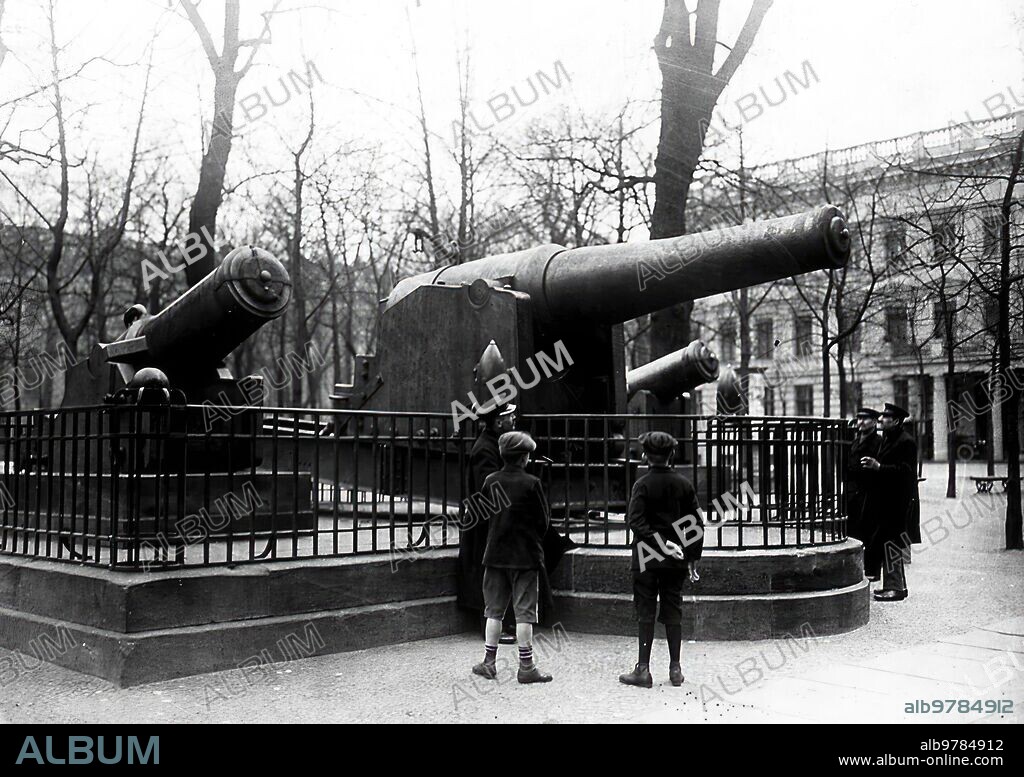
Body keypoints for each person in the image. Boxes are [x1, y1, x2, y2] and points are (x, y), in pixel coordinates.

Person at [619, 431, 703, 689]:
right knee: (672, 609)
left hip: (646, 556)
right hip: (676, 558)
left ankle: (643, 669)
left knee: (645, 610)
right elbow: (696, 523)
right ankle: (675, 669)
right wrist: (692, 556)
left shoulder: (641, 485)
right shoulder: (684, 484)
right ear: (672, 455)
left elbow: (635, 521)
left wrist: (659, 543)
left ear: (644, 456)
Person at [471, 431, 553, 684]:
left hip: (495, 554)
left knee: (493, 611)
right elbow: (544, 522)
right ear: (525, 458)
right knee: (524, 613)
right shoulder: (532, 483)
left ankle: (489, 662)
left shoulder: (490, 480)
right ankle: (526, 666)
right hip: (525, 557)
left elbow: (482, 517)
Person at [457, 401, 518, 643]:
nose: (514, 421)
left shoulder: (493, 444)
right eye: (510, 417)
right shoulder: (486, 449)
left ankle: (503, 621)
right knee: (491, 575)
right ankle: (493, 625)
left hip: (490, 520)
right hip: (485, 524)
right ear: (499, 421)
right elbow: (490, 488)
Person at [858, 403, 921, 601]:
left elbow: (906, 472)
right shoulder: (889, 438)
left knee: (892, 542)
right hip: (887, 501)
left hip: (898, 502)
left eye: (885, 417)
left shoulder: (906, 441)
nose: (881, 419)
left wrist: (879, 467)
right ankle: (895, 586)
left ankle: (896, 588)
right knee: (888, 541)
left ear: (895, 420)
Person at [846, 407, 882, 580]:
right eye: (859, 418)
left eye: (865, 419)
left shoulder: (878, 442)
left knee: (871, 532)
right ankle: (856, 569)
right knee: (854, 530)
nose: (860, 422)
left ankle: (872, 570)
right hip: (854, 492)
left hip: (871, 491)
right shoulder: (855, 441)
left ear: (874, 422)